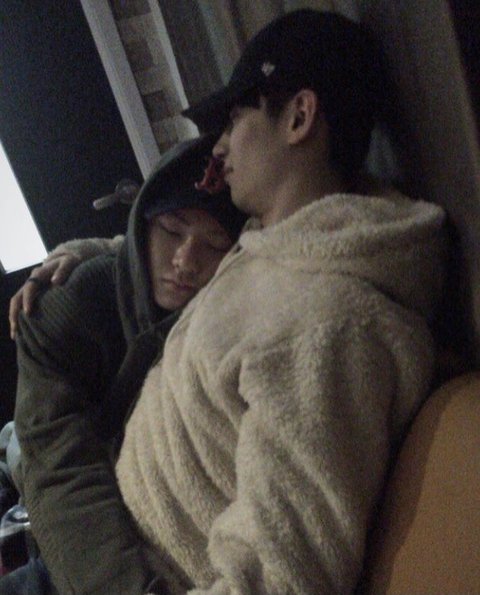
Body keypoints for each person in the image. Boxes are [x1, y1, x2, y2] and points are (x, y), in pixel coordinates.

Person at [14, 8, 447, 594]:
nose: (218, 147)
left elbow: (284, 576)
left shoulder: (327, 320)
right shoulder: (277, 246)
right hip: (84, 555)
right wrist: (86, 251)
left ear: (298, 117)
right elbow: (166, 243)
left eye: (237, 117)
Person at [5, 134, 246, 594]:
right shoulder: (65, 309)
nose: (185, 261)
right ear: (144, 226)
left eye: (214, 244)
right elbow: (62, 474)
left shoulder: (229, 316)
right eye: (171, 231)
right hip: (78, 541)